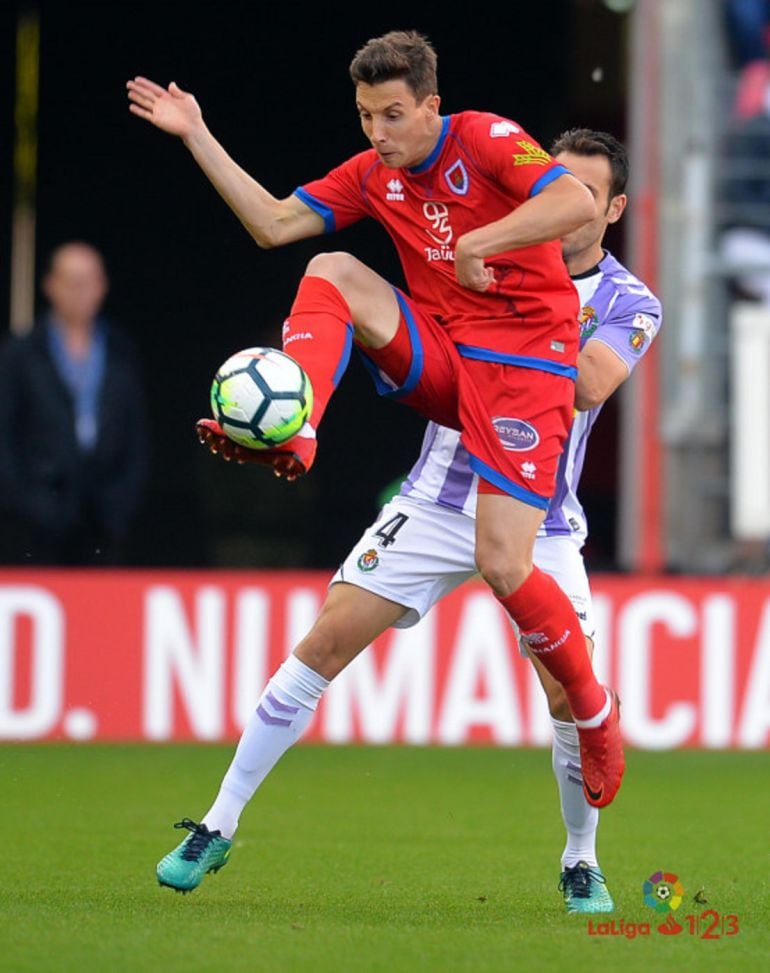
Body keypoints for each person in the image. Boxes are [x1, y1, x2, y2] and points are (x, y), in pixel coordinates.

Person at [152, 129, 661, 910]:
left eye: (584, 196)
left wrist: (518, 321)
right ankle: (217, 823)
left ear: (612, 208)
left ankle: (580, 858)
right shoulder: (483, 245)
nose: (561, 208)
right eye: (552, 188)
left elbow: (589, 384)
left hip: (538, 518)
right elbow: (282, 225)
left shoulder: (630, 300)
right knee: (322, 640)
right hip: (434, 499)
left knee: (566, 697)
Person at [0, 242, 149, 566]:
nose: (80, 292)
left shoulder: (121, 351)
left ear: (103, 287)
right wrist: (25, 502)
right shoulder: (20, 354)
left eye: (88, 282)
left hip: (103, 519)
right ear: (50, 285)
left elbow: (136, 436)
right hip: (36, 522)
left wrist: (119, 503)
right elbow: (6, 436)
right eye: (71, 282)